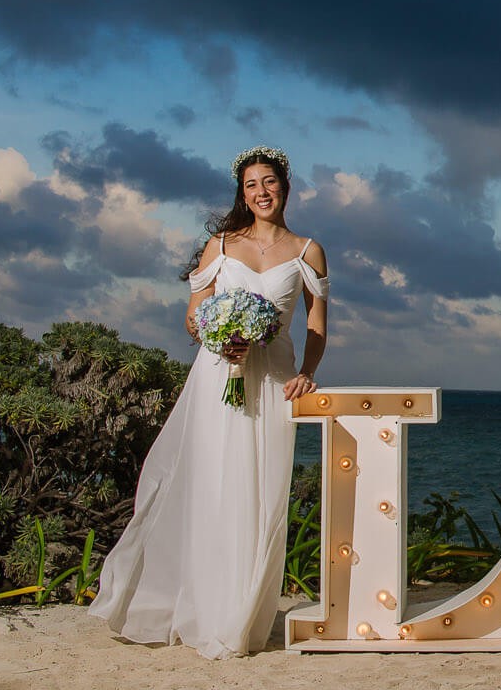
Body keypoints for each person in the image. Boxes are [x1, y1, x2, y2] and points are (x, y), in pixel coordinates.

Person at [89, 145, 329, 659]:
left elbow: (316, 326)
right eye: (250, 185)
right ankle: (205, 608)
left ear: (284, 187)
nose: (261, 192)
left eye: (269, 182)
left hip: (273, 380)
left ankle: (243, 615)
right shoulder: (219, 246)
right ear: (241, 194)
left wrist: (308, 374)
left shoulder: (308, 251)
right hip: (218, 376)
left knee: (262, 493)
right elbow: (193, 316)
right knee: (214, 488)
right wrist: (219, 337)